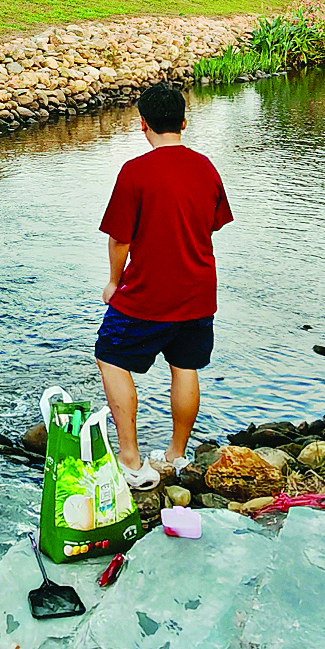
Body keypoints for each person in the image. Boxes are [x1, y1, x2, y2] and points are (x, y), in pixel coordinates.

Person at [94, 81, 233, 490]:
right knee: (185, 366)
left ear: (143, 125)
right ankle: (176, 454)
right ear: (184, 122)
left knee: (110, 356)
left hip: (147, 294)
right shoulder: (205, 167)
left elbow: (120, 239)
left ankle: (131, 460)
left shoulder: (135, 172)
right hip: (198, 291)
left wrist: (114, 282)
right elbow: (211, 223)